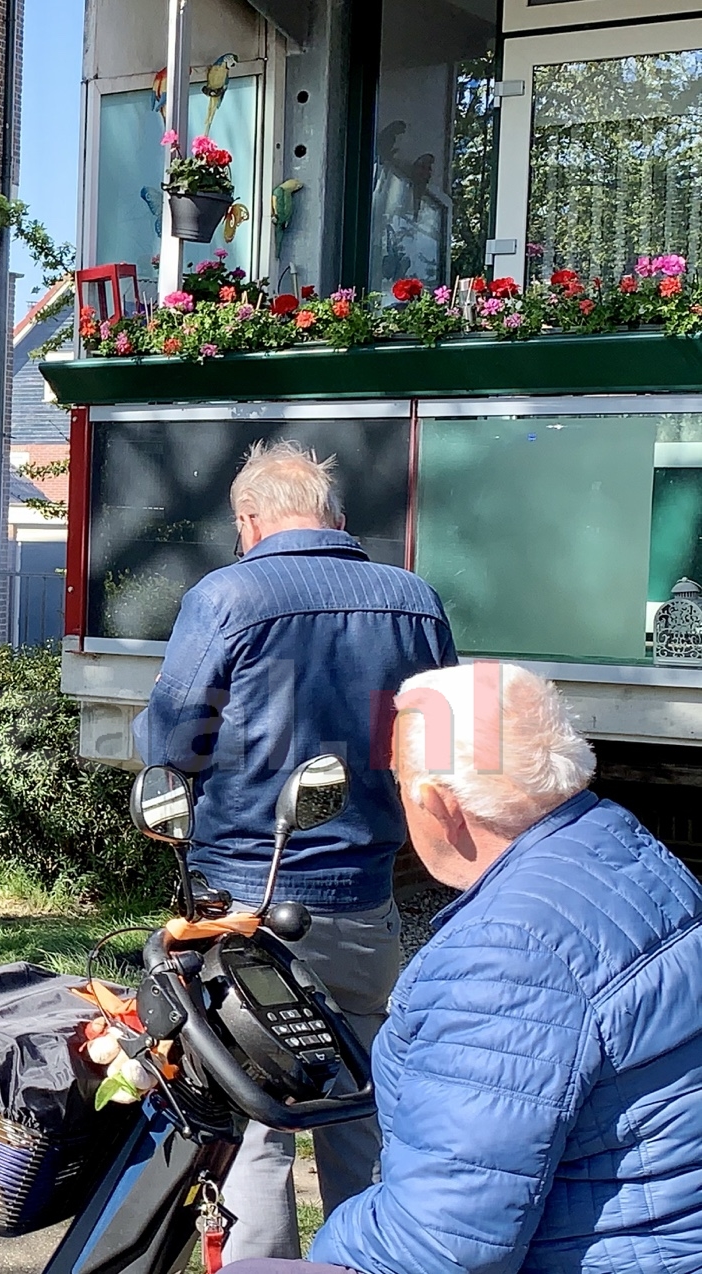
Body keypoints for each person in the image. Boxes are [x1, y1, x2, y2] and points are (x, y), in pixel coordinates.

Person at [225, 662, 702, 1274]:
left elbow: (440, 1246)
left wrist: (327, 1248)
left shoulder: (504, 955)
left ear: (438, 803)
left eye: (399, 782)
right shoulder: (627, 850)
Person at [133, 440, 455, 1261]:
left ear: (248, 521)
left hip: (245, 898)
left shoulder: (227, 595)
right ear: (335, 519)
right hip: (367, 898)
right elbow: (439, 740)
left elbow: (169, 738)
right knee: (359, 1106)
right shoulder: (415, 600)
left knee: (256, 1122)